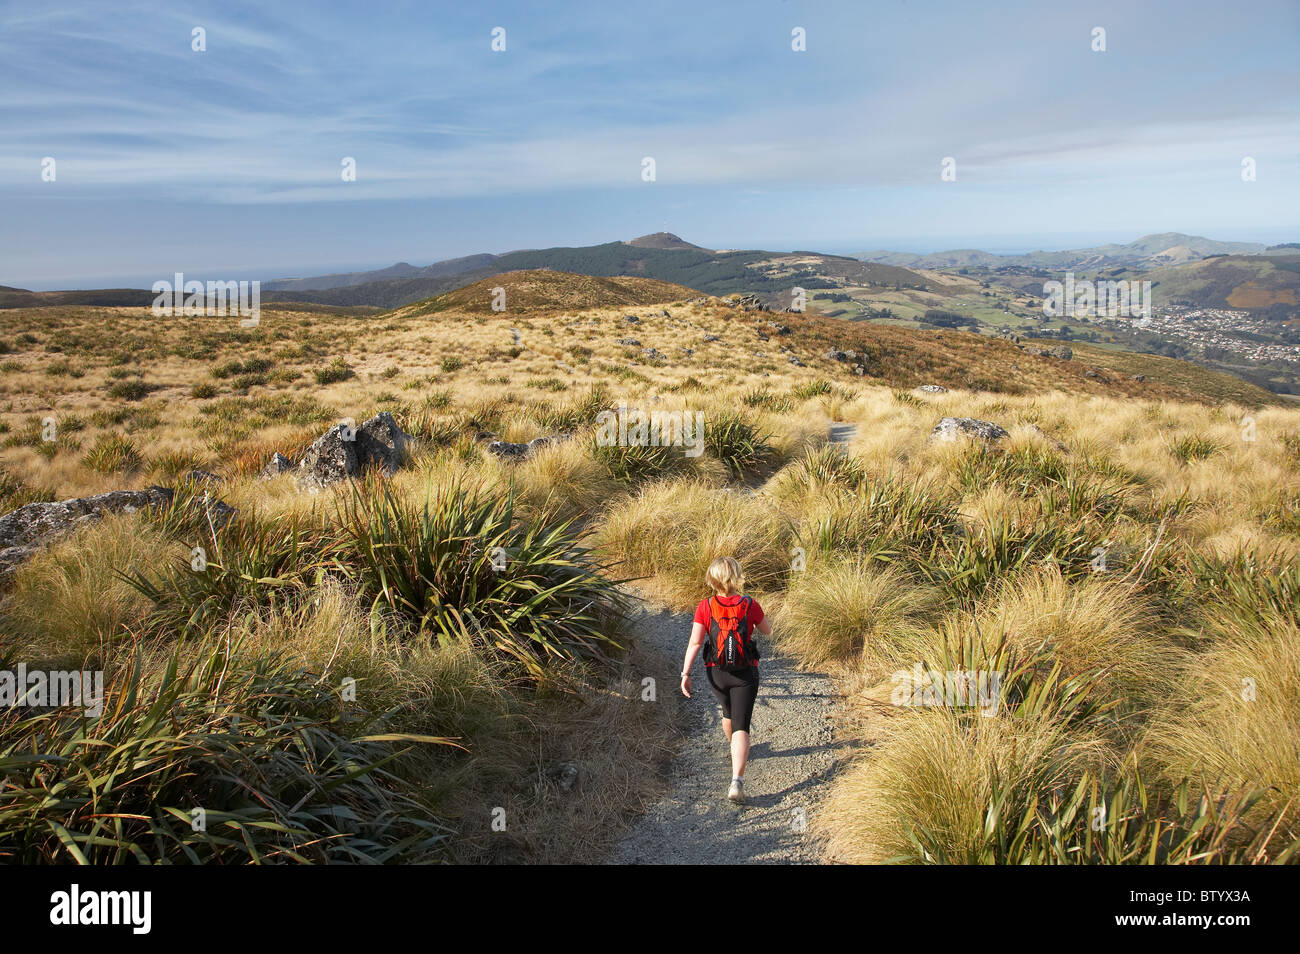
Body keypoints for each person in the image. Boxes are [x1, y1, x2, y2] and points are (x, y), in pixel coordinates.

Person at [680, 556, 770, 804]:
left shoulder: (705, 606)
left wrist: (685, 673)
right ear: (737, 576)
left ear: (712, 578)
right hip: (745, 673)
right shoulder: (750, 603)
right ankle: (736, 782)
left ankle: (735, 748)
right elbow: (766, 630)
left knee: (727, 714)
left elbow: (696, 642)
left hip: (716, 673)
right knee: (742, 725)